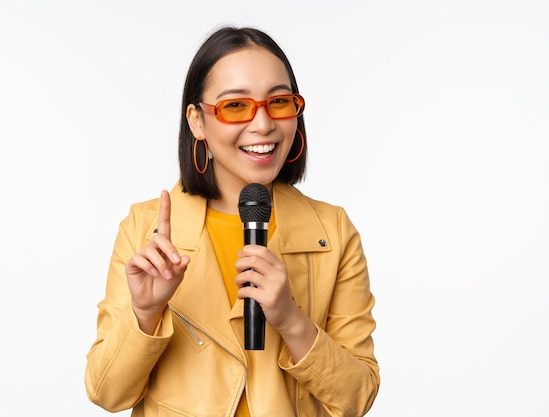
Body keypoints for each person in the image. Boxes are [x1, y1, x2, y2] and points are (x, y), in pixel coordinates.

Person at [85, 26, 380, 417]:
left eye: (278, 102)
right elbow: (107, 394)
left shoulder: (333, 231)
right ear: (197, 121)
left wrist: (291, 320)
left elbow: (356, 399)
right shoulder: (145, 228)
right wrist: (144, 314)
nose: (262, 125)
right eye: (236, 106)